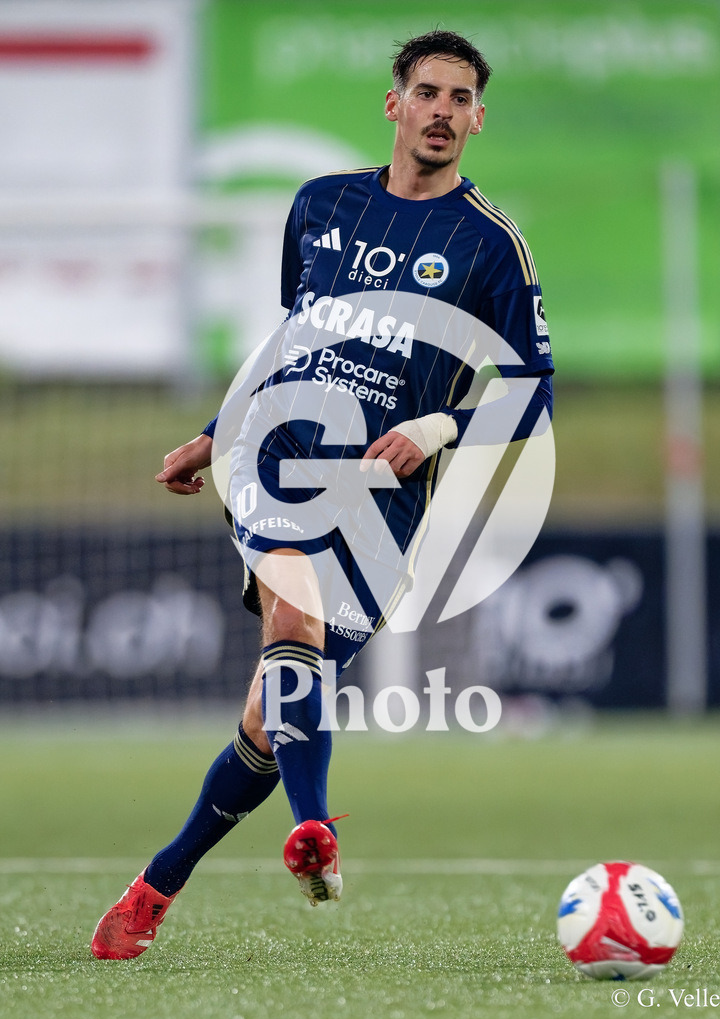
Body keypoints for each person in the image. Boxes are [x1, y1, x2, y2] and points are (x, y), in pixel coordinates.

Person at [91, 28, 554, 960]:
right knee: (292, 613)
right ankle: (317, 830)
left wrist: (439, 428)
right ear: (395, 103)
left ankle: (155, 886)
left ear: (477, 118)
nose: (441, 111)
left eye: (460, 98)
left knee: (268, 725)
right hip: (280, 461)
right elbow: (288, 343)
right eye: (426, 92)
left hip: (382, 503)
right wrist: (219, 436)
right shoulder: (322, 206)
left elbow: (533, 390)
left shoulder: (492, 245)